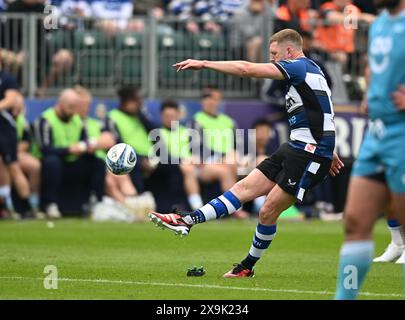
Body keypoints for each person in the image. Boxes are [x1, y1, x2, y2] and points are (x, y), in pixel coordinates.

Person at [149, 28, 343, 277]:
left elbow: (246, 69)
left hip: (310, 153)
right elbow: (323, 110)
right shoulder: (312, 70)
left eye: (274, 53)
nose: (272, 58)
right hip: (297, 147)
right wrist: (330, 146)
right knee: (241, 190)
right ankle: (188, 221)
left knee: (267, 210)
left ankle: (246, 267)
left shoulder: (297, 67)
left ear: (290, 51)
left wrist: (205, 63)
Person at [334, 0, 405, 299]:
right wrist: (370, 93)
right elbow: (374, 66)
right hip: (377, 132)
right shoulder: (378, 25)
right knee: (355, 220)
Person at [33, 88, 106, 218]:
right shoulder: (45, 120)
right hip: (53, 163)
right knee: (52, 162)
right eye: (70, 107)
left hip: (73, 161)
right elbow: (45, 149)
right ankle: (51, 204)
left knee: (98, 163)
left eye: (75, 107)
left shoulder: (77, 120)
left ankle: (97, 203)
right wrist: (68, 150)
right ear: (60, 103)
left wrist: (87, 147)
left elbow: (84, 141)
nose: (73, 111)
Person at [0, 63, 37, 219]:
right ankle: (5, 206)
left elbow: (10, 100)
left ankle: (27, 205)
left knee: (13, 166)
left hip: (4, 127)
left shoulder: (7, 79)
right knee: (1, 166)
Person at [157, 99, 204, 211]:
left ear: (178, 115)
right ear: (161, 116)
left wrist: (198, 158)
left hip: (193, 165)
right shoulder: (158, 133)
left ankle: (234, 209)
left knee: (223, 169)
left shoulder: (187, 132)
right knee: (188, 168)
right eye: (167, 116)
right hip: (174, 165)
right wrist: (182, 160)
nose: (170, 119)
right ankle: (198, 207)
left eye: (172, 116)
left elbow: (200, 149)